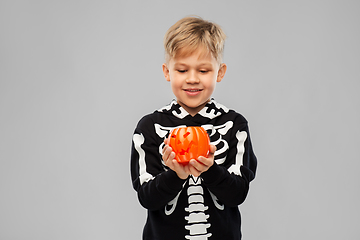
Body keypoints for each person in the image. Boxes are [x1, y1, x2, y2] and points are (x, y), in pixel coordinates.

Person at [130, 16, 257, 240]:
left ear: (220, 72)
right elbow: (146, 198)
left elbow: (238, 193)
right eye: (181, 70)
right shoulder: (149, 127)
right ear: (167, 71)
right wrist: (175, 175)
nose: (192, 79)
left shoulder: (235, 125)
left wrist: (210, 170)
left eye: (203, 71)